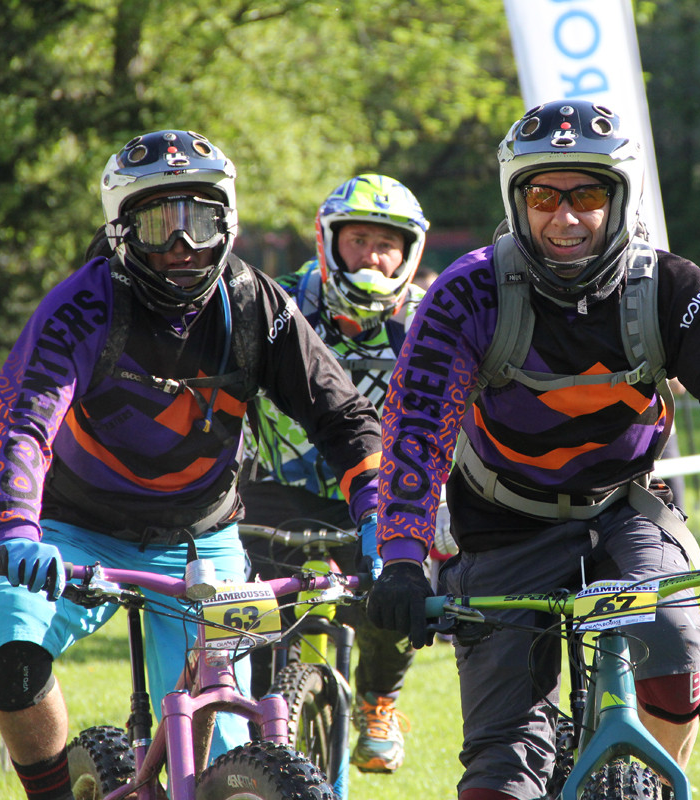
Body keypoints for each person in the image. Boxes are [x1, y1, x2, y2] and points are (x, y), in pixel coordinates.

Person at [365, 100, 700, 800]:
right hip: (501, 522)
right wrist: (404, 560)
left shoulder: (677, 291)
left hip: (627, 509)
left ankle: (645, 779)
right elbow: (414, 432)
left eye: (587, 195)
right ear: (516, 200)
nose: (565, 218)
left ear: (621, 198)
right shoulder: (465, 295)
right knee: (501, 775)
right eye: (543, 196)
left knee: (677, 650)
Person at [0, 130, 383, 800]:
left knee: (227, 763)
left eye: (201, 221)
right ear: (122, 229)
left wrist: (380, 518)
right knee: (5, 649)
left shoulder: (257, 306)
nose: (183, 246)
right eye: (161, 224)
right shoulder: (82, 303)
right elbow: (21, 420)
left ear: (229, 223)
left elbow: (346, 419)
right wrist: (15, 528)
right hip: (70, 531)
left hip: (203, 539)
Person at [241, 173, 437, 774]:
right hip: (276, 489)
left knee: (401, 597)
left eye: (387, 244)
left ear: (410, 253)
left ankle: (378, 702)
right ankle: (260, 723)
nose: (373, 257)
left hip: (383, 496)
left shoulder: (431, 321)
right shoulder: (279, 306)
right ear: (328, 242)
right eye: (358, 240)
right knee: (254, 627)